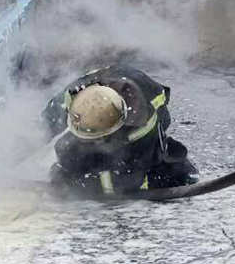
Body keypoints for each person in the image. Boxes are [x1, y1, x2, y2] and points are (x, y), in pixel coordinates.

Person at [42, 65, 198, 196]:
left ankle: (181, 172)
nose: (91, 142)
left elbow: (129, 176)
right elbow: (43, 127)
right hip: (108, 107)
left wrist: (92, 187)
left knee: (150, 170)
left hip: (146, 124)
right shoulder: (74, 96)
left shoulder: (143, 124)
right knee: (70, 154)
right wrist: (19, 150)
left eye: (98, 138)